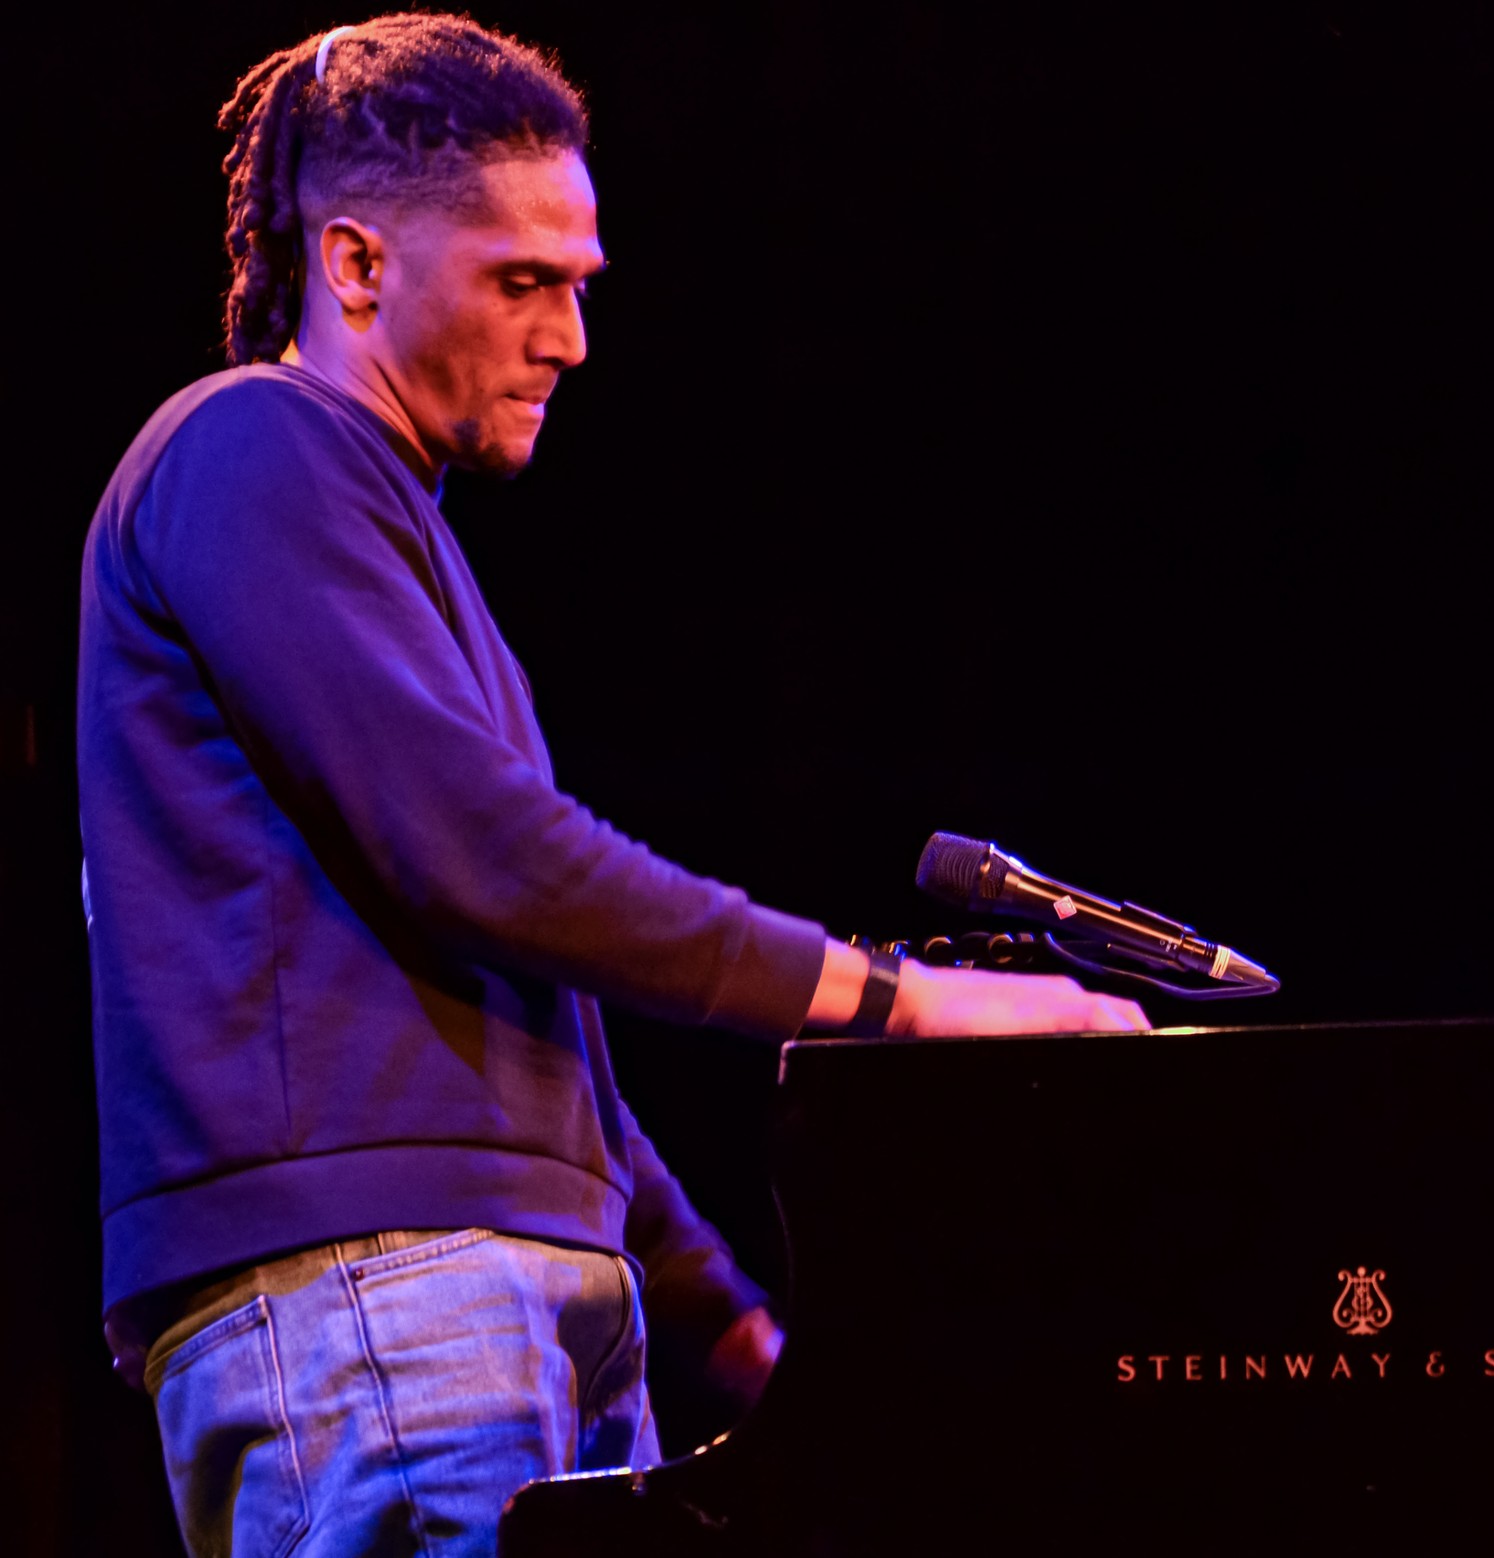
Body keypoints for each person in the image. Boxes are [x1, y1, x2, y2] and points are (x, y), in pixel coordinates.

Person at [77, 15, 1147, 1556]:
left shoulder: (397, 538)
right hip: (380, 1287)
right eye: (523, 281)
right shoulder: (248, 447)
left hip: (505, 1291)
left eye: (578, 284)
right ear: (357, 264)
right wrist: (904, 1002)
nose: (571, 337)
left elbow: (537, 1021)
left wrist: (730, 1327)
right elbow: (493, 859)